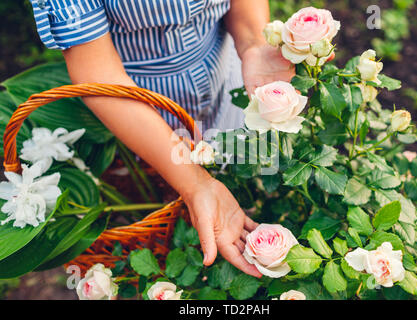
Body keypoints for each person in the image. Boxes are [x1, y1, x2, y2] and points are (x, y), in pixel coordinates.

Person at [29, 0, 294, 277]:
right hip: (141, 118)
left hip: (226, 78)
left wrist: (253, 43)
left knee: (244, 179)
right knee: (173, 224)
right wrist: (195, 183)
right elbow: (97, 73)